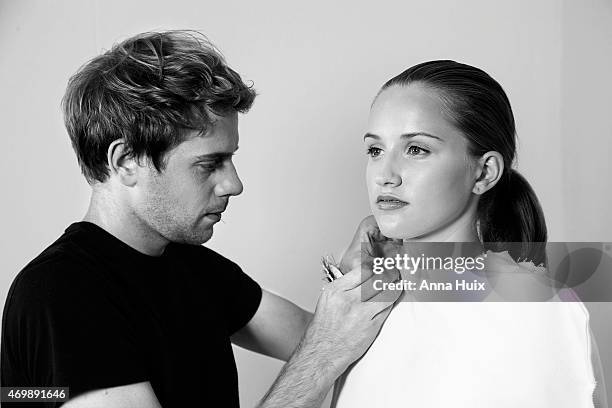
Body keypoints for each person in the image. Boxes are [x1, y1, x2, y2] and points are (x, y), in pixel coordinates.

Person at [0, 30, 401, 408]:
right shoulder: (61, 295)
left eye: (231, 158)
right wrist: (323, 352)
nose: (234, 184)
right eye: (210, 164)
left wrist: (363, 274)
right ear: (126, 162)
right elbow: (322, 350)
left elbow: (334, 340)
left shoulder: (188, 263)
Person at [330, 60, 607, 407]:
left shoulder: (540, 310)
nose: (385, 175)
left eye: (416, 149)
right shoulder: (362, 302)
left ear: (484, 173)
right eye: (375, 150)